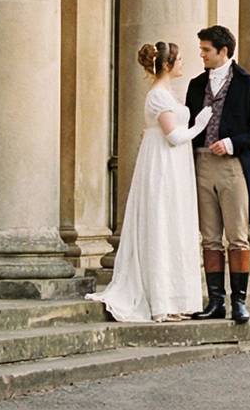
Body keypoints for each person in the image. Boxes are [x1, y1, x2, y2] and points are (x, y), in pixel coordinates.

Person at [88, 41, 211, 322]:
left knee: (175, 227)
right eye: (179, 59)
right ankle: (160, 302)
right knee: (162, 224)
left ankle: (175, 300)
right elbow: (173, 136)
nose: (183, 63)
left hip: (174, 163)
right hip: (164, 163)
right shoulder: (158, 95)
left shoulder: (167, 93)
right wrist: (199, 127)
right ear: (167, 64)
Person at [185, 24, 250, 324]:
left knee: (237, 237)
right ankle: (215, 302)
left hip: (232, 167)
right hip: (201, 163)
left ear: (223, 51)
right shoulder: (196, 85)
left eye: (206, 50)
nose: (202, 55)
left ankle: (239, 301)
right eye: (201, 50)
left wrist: (233, 142)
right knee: (209, 238)